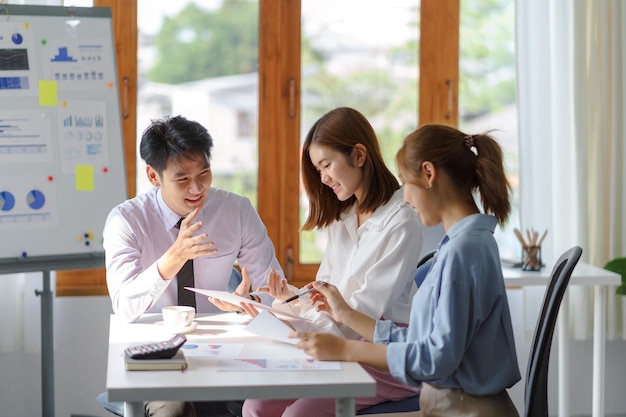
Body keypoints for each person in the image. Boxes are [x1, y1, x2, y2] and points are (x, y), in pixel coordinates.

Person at [287, 124, 522, 417]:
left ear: (428, 174)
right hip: (449, 405)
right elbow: (423, 342)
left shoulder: (465, 252)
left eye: (406, 184)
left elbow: (435, 359)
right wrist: (345, 314)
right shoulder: (461, 246)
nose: (406, 199)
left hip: (464, 410)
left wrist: (346, 350)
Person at [241, 107, 424, 417]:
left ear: (359, 155)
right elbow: (327, 300)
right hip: (339, 342)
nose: (323, 179)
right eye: (318, 170)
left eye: (326, 165)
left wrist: (296, 327)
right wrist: (289, 302)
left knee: (298, 415)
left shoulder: (401, 221)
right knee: (255, 405)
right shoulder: (342, 218)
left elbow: (361, 314)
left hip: (384, 352)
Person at [102, 115, 284, 417]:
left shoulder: (236, 210)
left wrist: (246, 302)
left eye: (204, 173)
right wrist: (174, 257)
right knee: (174, 410)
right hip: (159, 357)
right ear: (153, 175)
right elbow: (125, 307)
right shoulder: (126, 221)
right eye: (183, 179)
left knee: (268, 401)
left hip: (226, 352)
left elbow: (275, 291)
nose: (197, 188)